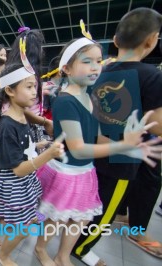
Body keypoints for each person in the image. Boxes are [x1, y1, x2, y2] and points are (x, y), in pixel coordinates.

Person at [72, 8, 162, 264]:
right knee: (104, 212)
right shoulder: (152, 77)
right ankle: (81, 248)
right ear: (151, 40)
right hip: (121, 160)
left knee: (87, 202)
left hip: (91, 152)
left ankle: (74, 239)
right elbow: (158, 127)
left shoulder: (98, 72)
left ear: (115, 40)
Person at [0, 61, 65, 266]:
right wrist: (48, 154)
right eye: (29, 87)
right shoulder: (7, 126)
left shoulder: (20, 112)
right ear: (10, 91)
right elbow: (19, 169)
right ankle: (2, 255)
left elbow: (28, 120)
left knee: (14, 217)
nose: (35, 92)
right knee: (22, 229)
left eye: (35, 87)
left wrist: (43, 124)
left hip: (24, 181)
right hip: (15, 181)